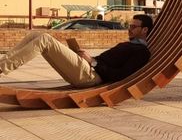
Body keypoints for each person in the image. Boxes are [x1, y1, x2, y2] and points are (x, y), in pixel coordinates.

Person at [0, 15, 152, 87]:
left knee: (44, 39)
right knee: (35, 34)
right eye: (129, 26)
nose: (129, 29)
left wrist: (92, 61)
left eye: (134, 27)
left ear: (144, 30)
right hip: (89, 69)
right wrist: (87, 57)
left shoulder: (141, 52)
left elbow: (120, 76)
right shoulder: (130, 45)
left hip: (92, 76)